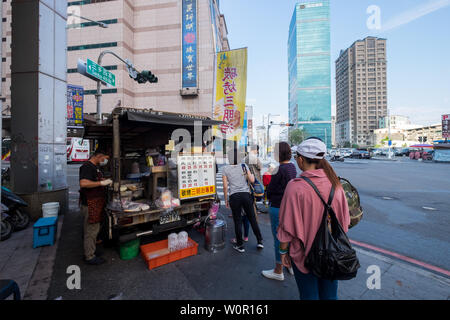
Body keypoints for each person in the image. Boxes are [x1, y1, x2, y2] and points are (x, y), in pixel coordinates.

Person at [277, 138, 350, 300]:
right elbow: (345, 223)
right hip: (332, 253)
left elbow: (286, 227)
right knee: (330, 296)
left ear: (301, 160)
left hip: (303, 255)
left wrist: (282, 251)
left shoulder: (295, 187)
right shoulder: (336, 184)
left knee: (309, 296)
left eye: (297, 157)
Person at [262, 142, 297, 281]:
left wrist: (269, 173)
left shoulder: (279, 169)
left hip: (277, 206)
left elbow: (269, 190)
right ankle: (290, 265)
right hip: (289, 206)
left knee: (279, 238)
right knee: (289, 236)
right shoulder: (292, 167)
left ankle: (278, 270)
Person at [223, 147, 264, 253]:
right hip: (246, 195)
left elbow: (225, 186)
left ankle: (240, 245)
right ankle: (259, 241)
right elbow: (251, 179)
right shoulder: (243, 166)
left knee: (237, 221)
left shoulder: (225, 169)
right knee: (252, 218)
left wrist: (226, 199)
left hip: (234, 196)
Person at [79, 149, 112, 265]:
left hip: (96, 202)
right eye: (104, 159)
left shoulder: (95, 167)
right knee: (90, 230)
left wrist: (102, 180)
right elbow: (83, 183)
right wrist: (101, 183)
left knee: (94, 228)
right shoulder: (87, 166)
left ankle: (91, 250)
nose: (105, 161)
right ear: (99, 156)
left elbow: (92, 180)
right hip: (90, 203)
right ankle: (89, 256)